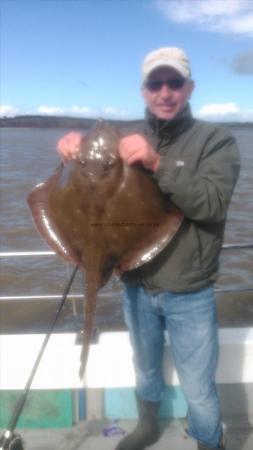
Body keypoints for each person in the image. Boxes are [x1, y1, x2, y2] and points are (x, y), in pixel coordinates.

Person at [57, 47, 241, 450]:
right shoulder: (120, 139)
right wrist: (74, 145)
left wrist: (159, 163)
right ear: (143, 92)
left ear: (189, 87)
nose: (165, 92)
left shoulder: (217, 140)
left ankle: (211, 443)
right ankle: (147, 427)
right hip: (136, 284)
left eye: (174, 82)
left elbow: (211, 203)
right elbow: (84, 176)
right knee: (145, 371)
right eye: (155, 84)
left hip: (189, 289)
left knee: (197, 388)